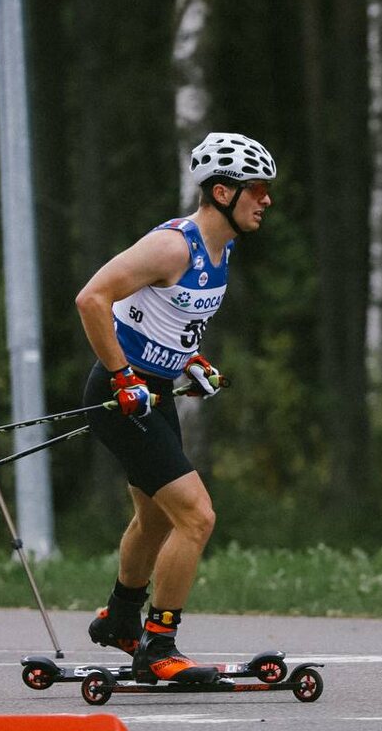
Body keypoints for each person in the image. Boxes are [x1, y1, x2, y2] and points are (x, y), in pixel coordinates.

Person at [75, 132, 276, 683]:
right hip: (122, 395)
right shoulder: (174, 246)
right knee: (197, 516)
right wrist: (121, 377)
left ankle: (120, 619)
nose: (266, 201)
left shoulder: (222, 249)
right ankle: (158, 643)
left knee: (156, 518)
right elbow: (92, 299)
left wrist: (191, 363)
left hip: (156, 393)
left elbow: (165, 319)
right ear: (221, 192)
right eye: (256, 190)